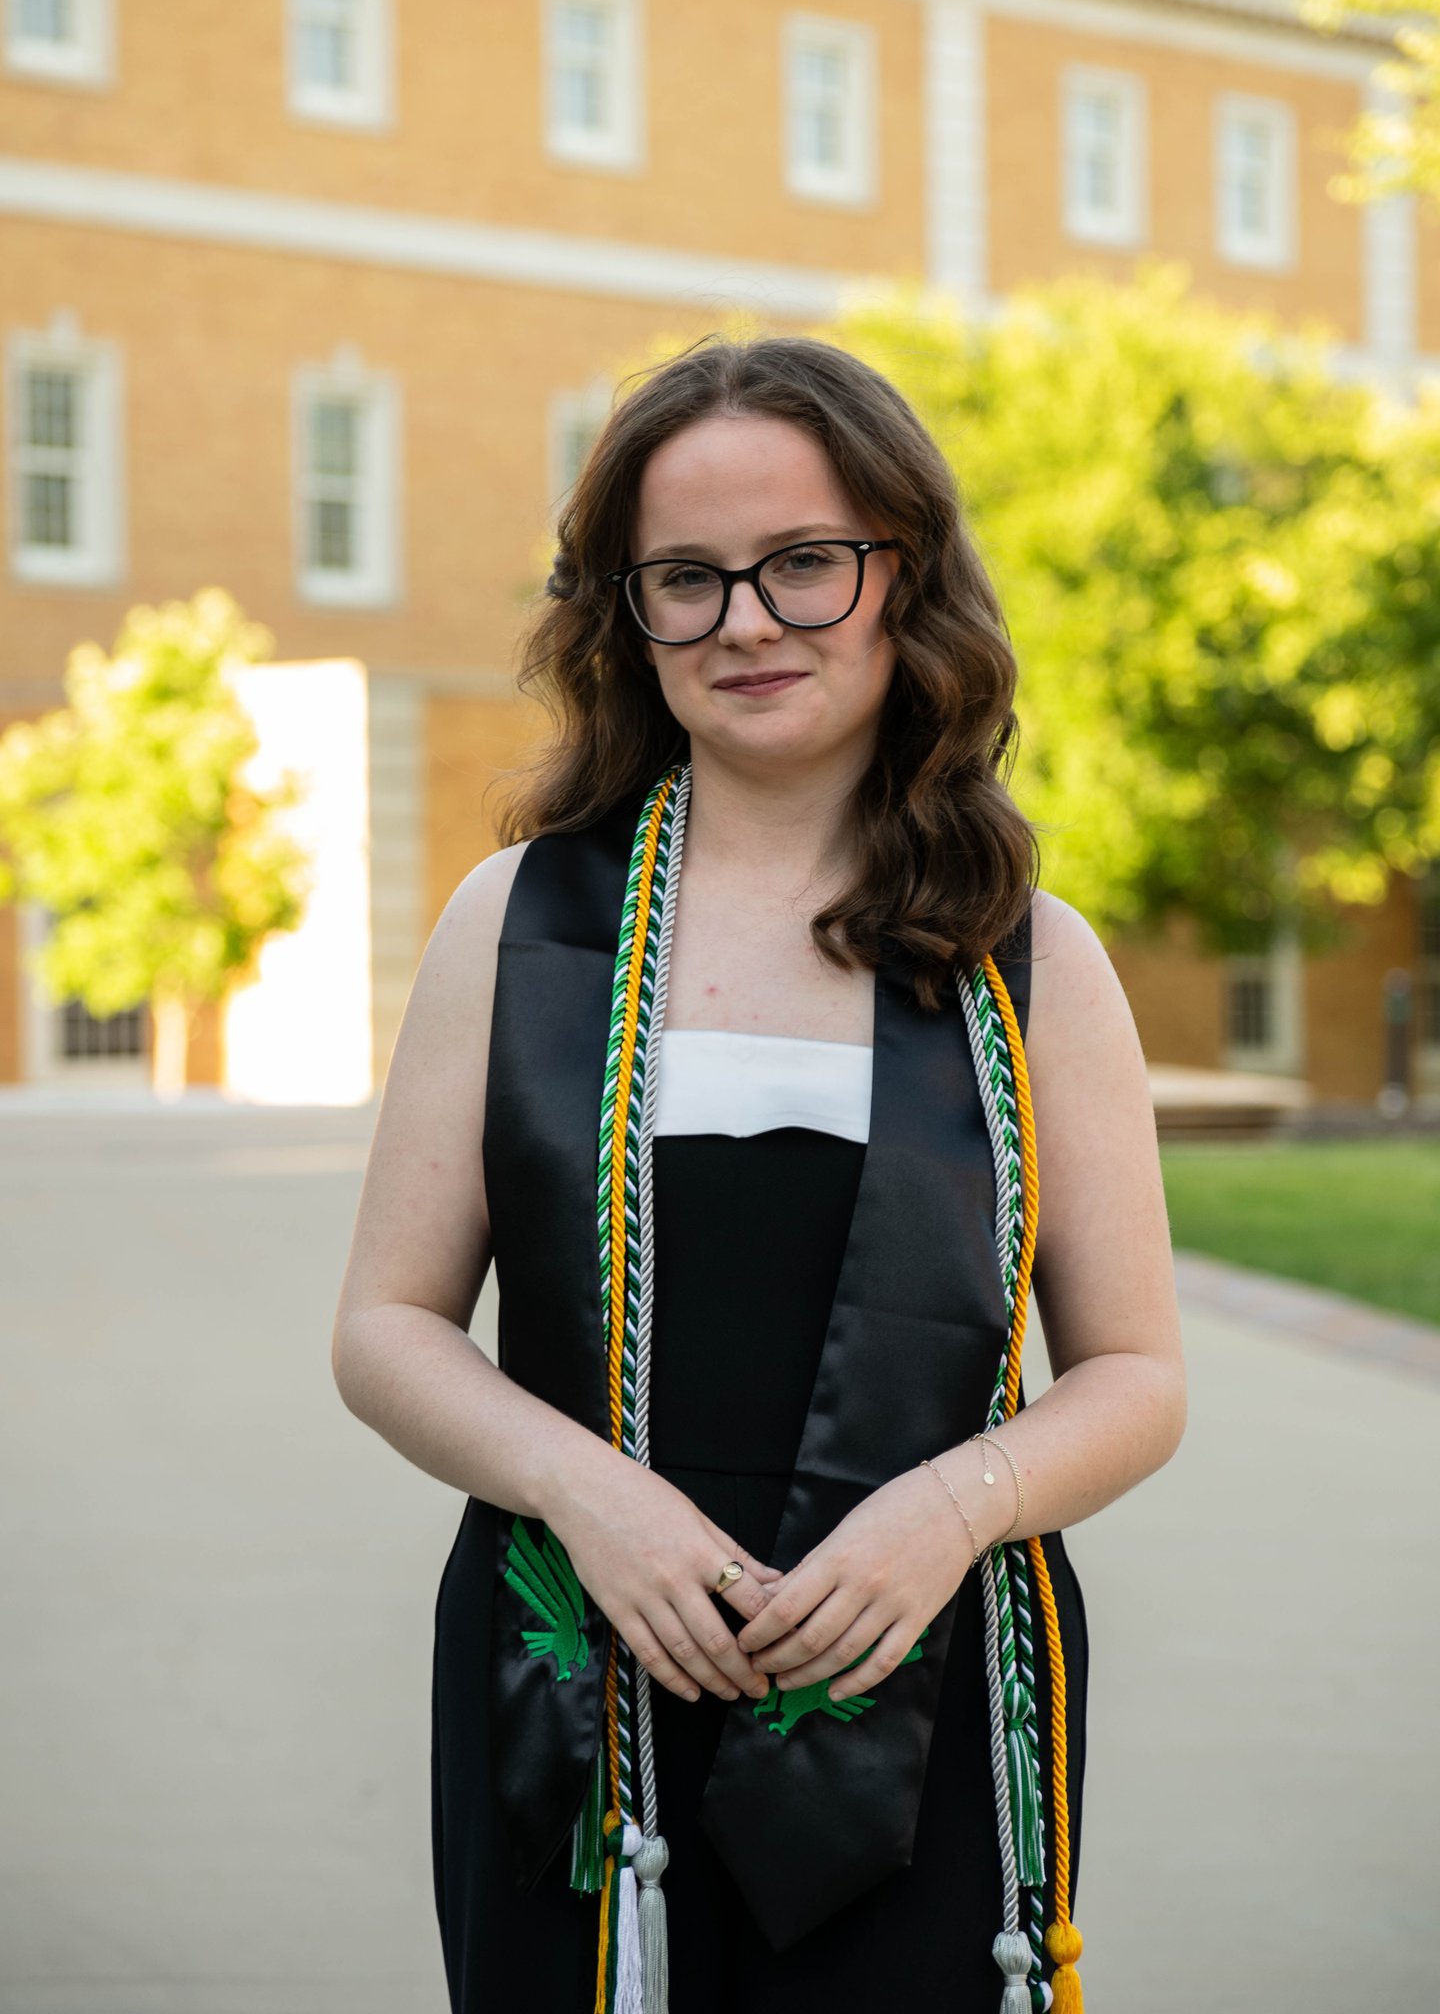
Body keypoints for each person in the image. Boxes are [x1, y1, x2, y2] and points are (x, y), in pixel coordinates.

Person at [331, 334, 1186, 2013]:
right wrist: (592, 1498)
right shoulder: (521, 926)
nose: (745, 621)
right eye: (686, 578)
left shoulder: (1037, 963)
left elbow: (1139, 1376)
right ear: (622, 613)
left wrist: (949, 1513)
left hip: (921, 1678)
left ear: (906, 579)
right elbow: (387, 1327)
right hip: (574, 1681)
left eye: (804, 563)